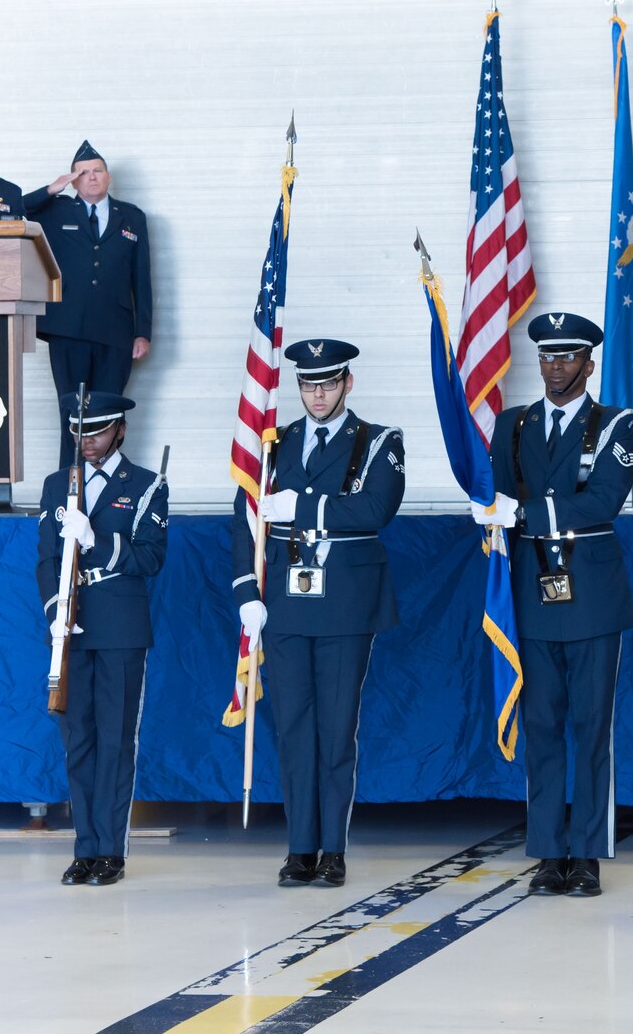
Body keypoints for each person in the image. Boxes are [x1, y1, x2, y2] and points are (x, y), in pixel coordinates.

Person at [474, 313, 633, 899]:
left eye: (567, 358)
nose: (555, 368)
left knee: (592, 728)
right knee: (542, 725)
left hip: (591, 594)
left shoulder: (617, 424)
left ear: (589, 364)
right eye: (546, 358)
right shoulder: (513, 426)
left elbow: (603, 501)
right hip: (531, 594)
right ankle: (548, 851)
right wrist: (491, 514)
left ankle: (589, 854)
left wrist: (524, 514)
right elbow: (499, 493)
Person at [232, 339, 405, 889]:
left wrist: (302, 506)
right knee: (293, 729)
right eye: (309, 385)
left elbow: (378, 508)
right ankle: (299, 847)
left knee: (336, 731)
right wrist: (246, 594)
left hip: (345, 607)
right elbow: (245, 520)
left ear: (347, 383)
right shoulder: (271, 445)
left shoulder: (379, 442)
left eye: (328, 383)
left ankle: (333, 848)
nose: (318, 394)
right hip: (283, 603)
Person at [36, 391, 167, 887]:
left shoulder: (146, 486)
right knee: (78, 741)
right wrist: (56, 612)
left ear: (120, 431)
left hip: (120, 627)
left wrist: (97, 541)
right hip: (70, 626)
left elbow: (151, 559)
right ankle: (84, 848)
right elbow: (47, 558)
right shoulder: (57, 486)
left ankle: (111, 849)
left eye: (96, 432)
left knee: (115, 739)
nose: (87, 442)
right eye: (79, 432)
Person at [24, 142, 155, 468]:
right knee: (72, 411)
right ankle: (70, 485)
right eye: (83, 173)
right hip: (68, 330)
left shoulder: (132, 217)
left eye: (97, 170)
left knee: (110, 412)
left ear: (108, 176)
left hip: (116, 333)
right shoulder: (56, 211)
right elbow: (15, 210)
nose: (92, 177)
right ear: (73, 179)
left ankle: (108, 485)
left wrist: (143, 332)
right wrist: (52, 189)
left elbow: (142, 278)